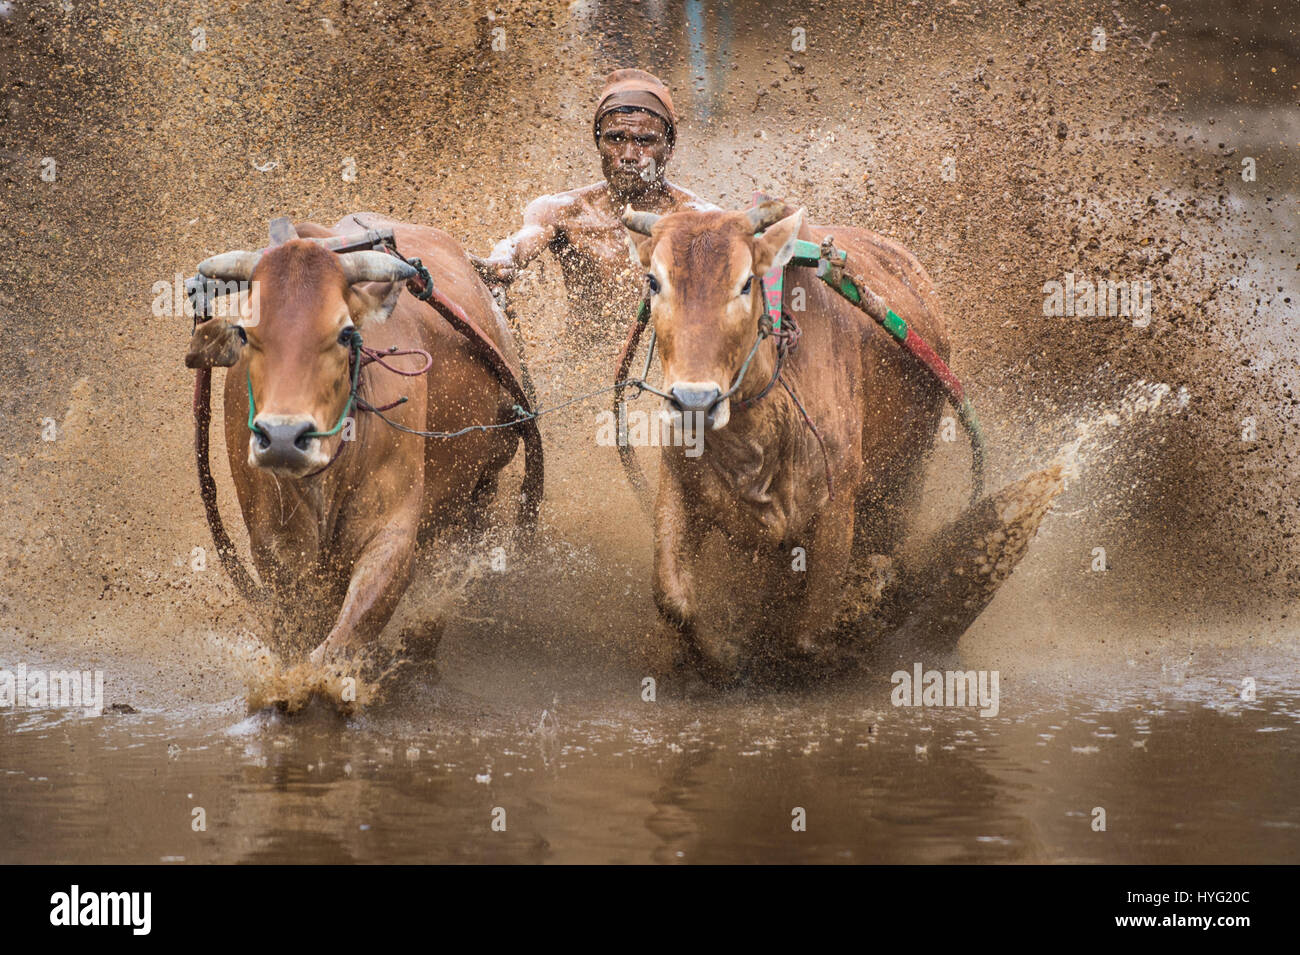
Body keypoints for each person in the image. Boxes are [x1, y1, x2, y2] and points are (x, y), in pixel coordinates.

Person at [470, 69, 717, 348]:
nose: (628, 155)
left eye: (644, 141)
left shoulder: (701, 219)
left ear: (669, 147)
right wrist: (501, 262)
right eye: (615, 138)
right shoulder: (564, 211)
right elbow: (519, 244)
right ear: (598, 143)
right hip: (582, 363)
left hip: (668, 371)